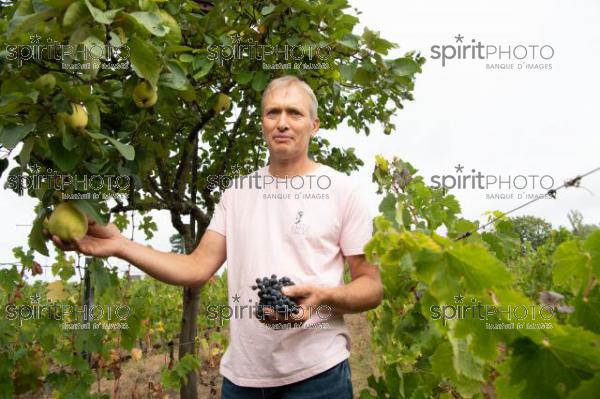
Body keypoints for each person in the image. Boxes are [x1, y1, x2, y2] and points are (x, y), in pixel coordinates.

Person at [48, 75, 383, 398]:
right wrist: (121, 245)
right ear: (263, 123)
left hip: (317, 376)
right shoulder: (238, 193)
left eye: (294, 113)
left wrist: (322, 296)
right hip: (243, 379)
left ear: (314, 125)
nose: (282, 122)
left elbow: (371, 286)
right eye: (272, 112)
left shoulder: (342, 191)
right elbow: (197, 267)